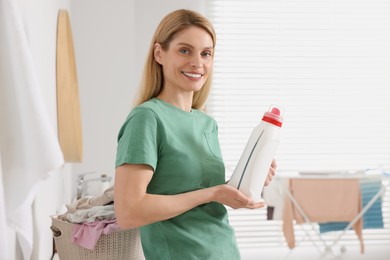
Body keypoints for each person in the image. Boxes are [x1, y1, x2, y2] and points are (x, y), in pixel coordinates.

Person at [114, 9, 277, 260]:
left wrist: (251, 176)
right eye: (184, 50)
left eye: (206, 53)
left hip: (224, 250)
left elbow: (203, 190)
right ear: (159, 53)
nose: (197, 63)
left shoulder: (206, 123)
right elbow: (129, 211)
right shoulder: (147, 118)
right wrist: (211, 194)